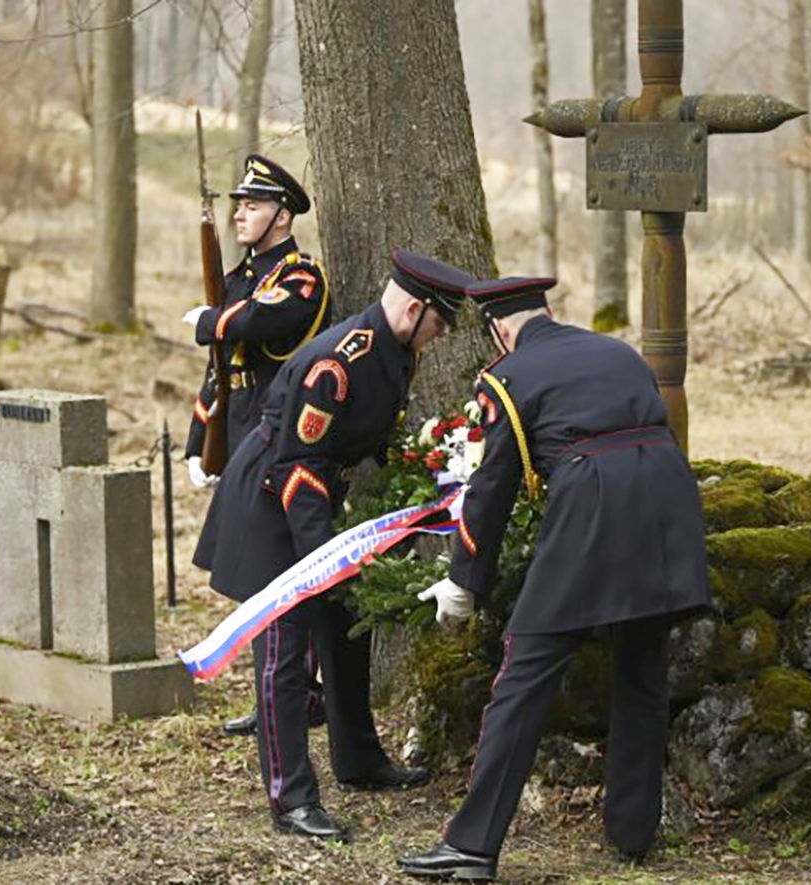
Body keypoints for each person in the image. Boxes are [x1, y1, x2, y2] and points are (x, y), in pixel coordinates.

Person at [398, 275, 711, 881]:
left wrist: (465, 580)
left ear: (501, 331)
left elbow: (493, 486)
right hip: (668, 497)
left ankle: (472, 844)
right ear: (546, 312)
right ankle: (632, 832)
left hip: (593, 503)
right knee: (643, 668)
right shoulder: (616, 350)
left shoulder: (508, 376)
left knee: (525, 671)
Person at [193, 250, 470, 841]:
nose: (440, 338)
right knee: (284, 652)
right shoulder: (335, 365)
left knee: (348, 626)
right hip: (273, 500)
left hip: (317, 499)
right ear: (416, 310)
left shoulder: (398, 353)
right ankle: (290, 797)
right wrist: (324, 560)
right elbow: (298, 465)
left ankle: (359, 759)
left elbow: (373, 438)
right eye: (440, 325)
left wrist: (435, 468)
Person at [182, 153, 331, 737]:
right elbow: (220, 367)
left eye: (253, 206)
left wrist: (210, 320)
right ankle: (273, 689)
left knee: (280, 567)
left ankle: (300, 689)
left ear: (283, 215)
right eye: (238, 205)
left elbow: (256, 324)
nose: (240, 215)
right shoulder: (242, 279)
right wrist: (200, 436)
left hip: (281, 434)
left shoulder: (299, 277)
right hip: (239, 425)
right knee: (251, 571)